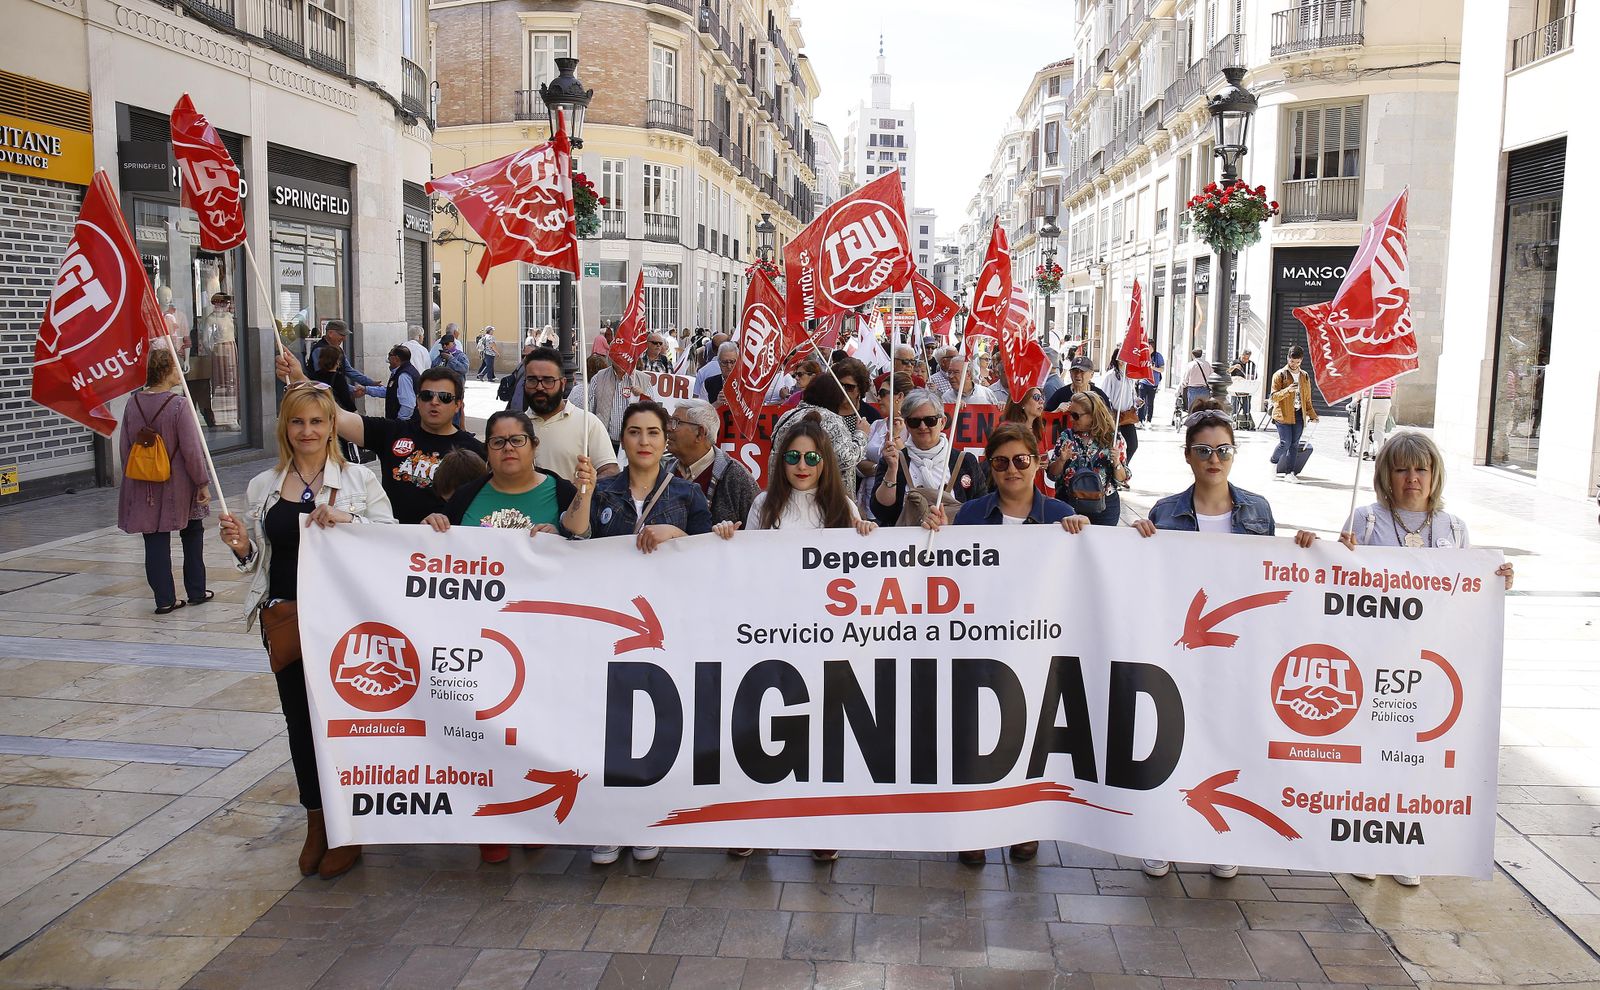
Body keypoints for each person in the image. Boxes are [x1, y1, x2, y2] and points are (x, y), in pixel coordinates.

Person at [217, 382, 395, 880]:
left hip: (344, 624)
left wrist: (348, 518)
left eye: (317, 421)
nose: (308, 431)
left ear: (332, 426)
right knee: (300, 725)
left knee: (345, 725)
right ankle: (316, 820)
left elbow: (390, 539)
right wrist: (240, 548)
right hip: (289, 620)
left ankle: (348, 825)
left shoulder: (360, 479)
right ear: (285, 428)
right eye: (298, 422)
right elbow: (259, 560)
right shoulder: (263, 485)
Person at [1339, 431, 1513, 888]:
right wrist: (1336, 554)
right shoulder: (1366, 520)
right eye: (1402, 469)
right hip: (1375, 660)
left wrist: (1496, 580)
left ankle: (1403, 846)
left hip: (1431, 666)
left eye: (1421, 469)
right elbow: (1339, 581)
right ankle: (1367, 843)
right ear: (1386, 475)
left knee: (1416, 757)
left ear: (1435, 475)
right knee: (1374, 753)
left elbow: (1466, 592)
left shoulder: (1454, 528)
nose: (1412, 478)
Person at [923, 422, 1088, 864]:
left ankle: (1024, 826)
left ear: (1036, 463)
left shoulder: (1060, 515)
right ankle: (974, 826)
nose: (1011, 470)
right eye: (1000, 462)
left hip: (1037, 647)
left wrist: (1084, 532)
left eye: (1020, 460)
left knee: (1031, 737)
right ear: (990, 468)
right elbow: (948, 573)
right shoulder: (971, 514)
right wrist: (936, 532)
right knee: (976, 736)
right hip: (983, 644)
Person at [277, 351, 484, 523]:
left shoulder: (476, 451)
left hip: (446, 552)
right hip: (391, 544)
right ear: (417, 400)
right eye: (427, 395)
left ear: (458, 404)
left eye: (445, 397)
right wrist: (299, 378)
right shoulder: (392, 432)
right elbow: (336, 415)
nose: (434, 402)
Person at [118, 349, 213, 615]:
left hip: (144, 483)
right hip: (178, 483)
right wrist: (202, 482)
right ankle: (196, 591)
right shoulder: (179, 405)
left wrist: (137, 474)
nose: (180, 372)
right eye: (176, 367)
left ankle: (164, 600)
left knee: (154, 539)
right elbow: (192, 450)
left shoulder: (132, 403)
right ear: (166, 371)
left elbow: (125, 446)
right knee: (192, 532)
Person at [870, 388, 986, 525]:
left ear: (942, 422)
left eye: (930, 420)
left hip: (954, 539)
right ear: (907, 425)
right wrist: (892, 470)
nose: (922, 426)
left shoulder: (965, 461)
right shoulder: (893, 460)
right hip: (907, 538)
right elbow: (881, 512)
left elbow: (982, 511)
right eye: (914, 421)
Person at [516, 347, 620, 481]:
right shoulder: (516, 425)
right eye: (532, 380)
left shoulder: (588, 423)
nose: (539, 387)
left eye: (548, 380)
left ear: (563, 383)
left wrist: (588, 486)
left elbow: (610, 471)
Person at [666, 399, 759, 527]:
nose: (668, 428)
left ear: (700, 433)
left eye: (676, 422)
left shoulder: (737, 478)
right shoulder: (665, 470)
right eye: (670, 421)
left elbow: (758, 529)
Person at [772, 373, 867, 494]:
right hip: (825, 496)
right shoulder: (831, 420)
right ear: (835, 397)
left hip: (783, 491)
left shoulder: (787, 416)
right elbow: (846, 458)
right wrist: (861, 434)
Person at [1045, 392, 1127, 526]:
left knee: (1101, 540)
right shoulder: (1067, 436)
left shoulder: (1113, 439)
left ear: (1092, 415)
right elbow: (1052, 474)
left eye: (1076, 415)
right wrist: (1061, 460)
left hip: (1104, 506)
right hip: (1069, 503)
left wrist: (1117, 462)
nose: (1071, 419)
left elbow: (1122, 480)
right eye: (1070, 414)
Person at [1269, 345, 1319, 482]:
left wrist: (1312, 415)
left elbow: (1307, 399)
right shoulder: (1280, 374)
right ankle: (1273, 463)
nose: (1294, 364)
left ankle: (1289, 473)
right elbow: (1273, 397)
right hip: (1282, 414)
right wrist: (1288, 390)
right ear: (1288, 358)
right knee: (1285, 443)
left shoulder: (1304, 376)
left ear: (1301, 360)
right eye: (1292, 361)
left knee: (1294, 445)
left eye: (1297, 362)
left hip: (1298, 414)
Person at [587, 353, 657, 446]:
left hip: (634, 443)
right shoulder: (598, 378)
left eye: (624, 354)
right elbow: (589, 412)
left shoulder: (643, 379)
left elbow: (653, 413)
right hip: (605, 442)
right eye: (618, 354)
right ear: (611, 356)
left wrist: (642, 396)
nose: (621, 359)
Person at [307, 320, 378, 389]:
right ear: (330, 333)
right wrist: (351, 389)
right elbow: (323, 378)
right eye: (342, 335)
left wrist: (370, 383)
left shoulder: (338, 349)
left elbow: (348, 370)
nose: (344, 338)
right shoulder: (319, 349)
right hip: (322, 393)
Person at [359, 345, 421, 422]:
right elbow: (391, 392)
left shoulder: (403, 376)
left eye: (390, 355)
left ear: (396, 359)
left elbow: (408, 405)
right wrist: (366, 389)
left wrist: (399, 423)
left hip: (405, 424)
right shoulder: (401, 372)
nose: (388, 359)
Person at [1100, 358, 1141, 464]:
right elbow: (1104, 396)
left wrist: (1136, 401)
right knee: (1113, 444)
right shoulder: (1110, 376)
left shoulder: (1130, 376)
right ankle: (1114, 466)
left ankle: (1123, 466)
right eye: (1121, 358)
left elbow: (1132, 393)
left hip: (1127, 416)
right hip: (1114, 416)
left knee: (1133, 444)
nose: (1123, 361)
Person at [1046, 355, 1111, 413]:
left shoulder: (1099, 395)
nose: (1078, 375)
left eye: (1082, 372)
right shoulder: (1060, 394)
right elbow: (1044, 417)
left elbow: (1109, 418)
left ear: (1091, 375)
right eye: (1075, 371)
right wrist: (1057, 411)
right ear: (1070, 373)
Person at [309, 343, 359, 413]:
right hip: (334, 411)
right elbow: (345, 399)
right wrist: (355, 412)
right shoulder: (338, 378)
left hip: (318, 410)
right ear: (337, 362)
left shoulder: (313, 376)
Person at [1000, 385, 1046, 453]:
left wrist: (1060, 458)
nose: (1042, 401)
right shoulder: (1006, 429)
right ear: (1022, 402)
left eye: (1042, 397)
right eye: (1036, 397)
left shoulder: (1039, 430)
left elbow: (1045, 458)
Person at [1360, 377, 1395, 456]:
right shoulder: (1389, 373)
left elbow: (1359, 388)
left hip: (1368, 399)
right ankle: (1377, 452)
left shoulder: (1367, 372)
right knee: (1380, 428)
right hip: (1384, 401)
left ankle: (1364, 451)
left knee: (1365, 426)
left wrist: (1358, 399)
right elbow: (1393, 388)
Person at [693, 332, 731, 399]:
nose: (729, 366)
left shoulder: (703, 371)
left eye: (732, 362)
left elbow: (696, 398)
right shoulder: (741, 369)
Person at [1229, 348, 1258, 422]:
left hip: (1246, 387)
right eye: (1244, 358)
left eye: (1247, 358)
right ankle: (1233, 419)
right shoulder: (1235, 362)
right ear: (1240, 355)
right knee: (1234, 403)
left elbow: (1255, 376)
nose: (1245, 360)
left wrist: (1249, 377)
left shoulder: (1251, 364)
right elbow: (1227, 372)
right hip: (1235, 387)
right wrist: (1234, 367)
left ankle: (1246, 419)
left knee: (1246, 403)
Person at [1179, 348, 1211, 413]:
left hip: (1193, 390)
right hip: (1205, 389)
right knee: (1204, 410)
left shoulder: (1190, 365)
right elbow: (1211, 376)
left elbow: (1185, 379)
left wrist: (1183, 386)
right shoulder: (1207, 364)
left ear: (1192, 355)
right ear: (1201, 355)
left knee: (1193, 410)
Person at [1138, 349, 1164, 425]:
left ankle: (1148, 420)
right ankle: (1140, 419)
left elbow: (1162, 369)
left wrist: (1153, 368)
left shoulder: (1158, 356)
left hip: (1153, 383)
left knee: (1150, 402)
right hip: (1143, 381)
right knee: (1141, 401)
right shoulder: (1142, 354)